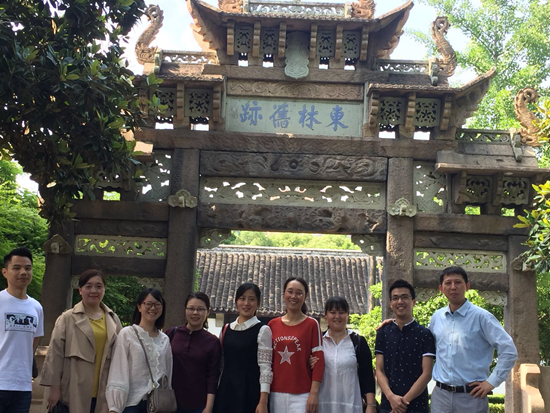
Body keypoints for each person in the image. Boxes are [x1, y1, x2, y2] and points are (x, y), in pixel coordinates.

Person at [430, 266, 518, 413]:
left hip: (472, 397)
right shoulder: (437, 317)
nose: (453, 287)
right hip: (441, 397)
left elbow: (509, 350)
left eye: (458, 282)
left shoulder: (482, 317)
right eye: (448, 283)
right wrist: (395, 324)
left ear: (467, 286)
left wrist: (492, 382)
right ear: (441, 288)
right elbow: (425, 345)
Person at [40, 269, 122, 413]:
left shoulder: (113, 319)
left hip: (103, 389)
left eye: (98, 286)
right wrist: (54, 388)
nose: (93, 291)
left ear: (104, 289)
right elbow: (55, 354)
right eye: (88, 286)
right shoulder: (68, 318)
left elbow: (120, 356)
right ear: (80, 290)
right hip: (73, 387)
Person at [106, 288, 172, 413]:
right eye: (148, 304)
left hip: (158, 404)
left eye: (157, 304)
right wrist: (115, 406)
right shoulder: (127, 334)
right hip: (132, 403)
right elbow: (118, 371)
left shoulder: (165, 340)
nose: (153, 308)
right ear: (139, 307)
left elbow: (168, 373)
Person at [375, 279, 435, 413]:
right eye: (395, 298)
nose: (400, 301)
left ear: (413, 301)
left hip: (417, 406)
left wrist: (402, 403)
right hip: (388, 405)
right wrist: (391, 398)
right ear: (390, 303)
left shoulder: (424, 334)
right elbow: (379, 370)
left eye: (404, 297)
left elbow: (426, 373)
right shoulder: (383, 332)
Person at [213, 283, 272, 413]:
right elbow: (221, 363)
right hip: (226, 391)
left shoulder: (262, 330)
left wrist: (263, 401)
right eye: (242, 298)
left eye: (251, 299)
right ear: (236, 301)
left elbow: (265, 368)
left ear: (258, 303)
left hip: (250, 393)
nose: (246, 303)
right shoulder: (226, 329)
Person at [269, 277, 325, 413]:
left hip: (302, 394)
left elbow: (319, 361)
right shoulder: (272, 325)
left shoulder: (312, 324)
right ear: (283, 294)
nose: (293, 296)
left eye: (299, 293)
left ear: (305, 296)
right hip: (275, 392)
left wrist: (314, 393)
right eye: (290, 291)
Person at [0, 247, 44, 413]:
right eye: (17, 268)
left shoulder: (36, 307)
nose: (23, 272)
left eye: (28, 268)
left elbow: (33, 344)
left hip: (22, 386)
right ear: (5, 272)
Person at [317, 297, 376, 413]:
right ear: (326, 316)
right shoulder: (318, 341)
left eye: (342, 312)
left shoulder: (358, 342)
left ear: (348, 315)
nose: (337, 316)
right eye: (333, 312)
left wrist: (371, 405)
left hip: (350, 404)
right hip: (322, 404)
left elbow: (367, 375)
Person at [166, 292, 221, 413]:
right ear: (185, 310)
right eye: (191, 308)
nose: (195, 313)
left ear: (207, 312)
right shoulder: (172, 334)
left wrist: (208, 408)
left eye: (200, 309)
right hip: (170, 402)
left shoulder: (212, 342)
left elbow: (212, 377)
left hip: (198, 405)